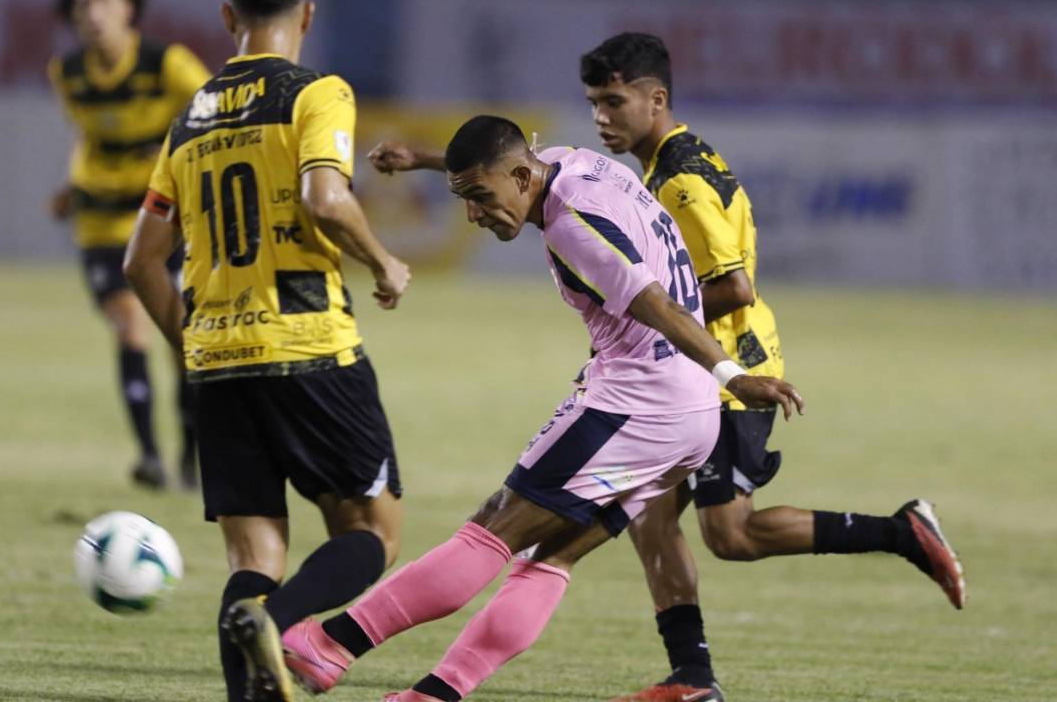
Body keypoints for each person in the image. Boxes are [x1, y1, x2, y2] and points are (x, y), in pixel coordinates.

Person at [366, 32, 966, 702]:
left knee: (730, 533)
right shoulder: (643, 167)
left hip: (724, 366)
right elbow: (524, 166)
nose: (602, 116)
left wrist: (653, 326)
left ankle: (899, 532)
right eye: (594, 102)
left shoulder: (681, 182)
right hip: (677, 370)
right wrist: (425, 158)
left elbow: (732, 287)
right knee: (645, 521)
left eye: (615, 101)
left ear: (657, 99)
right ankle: (692, 678)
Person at [274, 115, 804, 702]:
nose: (474, 215)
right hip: (690, 420)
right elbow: (503, 158)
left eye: (479, 198)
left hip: (638, 403)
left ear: (523, 176)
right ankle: (435, 694)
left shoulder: (574, 228)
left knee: (492, 529)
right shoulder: (575, 163)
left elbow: (660, 306)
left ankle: (331, 644)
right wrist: (424, 160)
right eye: (465, 198)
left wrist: (736, 375)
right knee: (548, 557)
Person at [122, 0, 411, 702]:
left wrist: (193, 343)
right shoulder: (317, 93)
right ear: (307, 15)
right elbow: (324, 197)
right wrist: (383, 261)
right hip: (309, 344)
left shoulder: (188, 118)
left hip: (216, 358)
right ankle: (277, 623)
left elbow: (141, 261)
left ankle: (251, 674)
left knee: (252, 552)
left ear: (228, 18)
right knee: (371, 534)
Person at [48, 0, 210, 489]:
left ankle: (191, 454)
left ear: (129, 10)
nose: (91, 14)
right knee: (128, 325)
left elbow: (216, 110)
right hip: (101, 221)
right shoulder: (67, 74)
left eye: (102, 1)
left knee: (183, 339)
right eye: (81, 5)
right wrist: (72, 185)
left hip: (164, 221)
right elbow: (88, 136)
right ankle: (148, 456)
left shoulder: (168, 64)